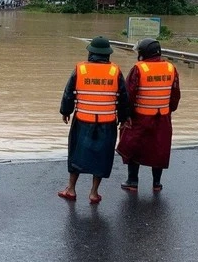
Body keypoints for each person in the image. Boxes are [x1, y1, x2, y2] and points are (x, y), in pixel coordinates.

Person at [58, 36, 130, 204]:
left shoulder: (80, 69)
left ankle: (71, 189)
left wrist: (65, 111)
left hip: (83, 120)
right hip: (108, 123)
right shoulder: (115, 71)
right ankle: (94, 193)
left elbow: (69, 93)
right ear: (108, 55)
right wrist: (124, 118)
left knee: (76, 155)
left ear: (90, 53)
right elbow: (124, 98)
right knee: (102, 157)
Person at [117, 38, 180, 192]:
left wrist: (125, 116)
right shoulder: (171, 68)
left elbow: (128, 95)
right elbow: (176, 95)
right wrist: (169, 109)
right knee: (159, 149)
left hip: (140, 117)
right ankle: (156, 183)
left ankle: (132, 181)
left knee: (133, 147)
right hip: (163, 118)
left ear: (143, 53)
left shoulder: (138, 69)